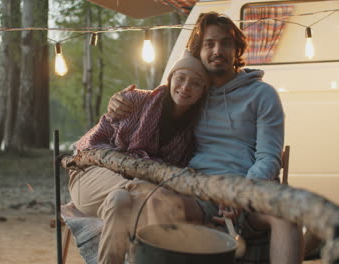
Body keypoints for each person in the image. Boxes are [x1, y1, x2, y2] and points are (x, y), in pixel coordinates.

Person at [108, 12, 304, 264]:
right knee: (156, 201)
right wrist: (119, 101)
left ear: (237, 48)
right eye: (209, 44)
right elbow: (156, 101)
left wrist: (239, 195)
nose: (217, 50)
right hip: (199, 189)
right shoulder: (194, 92)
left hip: (252, 189)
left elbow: (268, 158)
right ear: (197, 51)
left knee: (289, 214)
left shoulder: (262, 94)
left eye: (226, 43)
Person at [68, 50, 209, 264]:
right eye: (180, 78)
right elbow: (92, 141)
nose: (186, 86)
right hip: (90, 173)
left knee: (119, 201)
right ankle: (163, 250)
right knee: (151, 192)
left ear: (203, 91)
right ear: (170, 79)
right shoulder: (136, 100)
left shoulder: (188, 136)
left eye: (196, 83)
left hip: (126, 191)